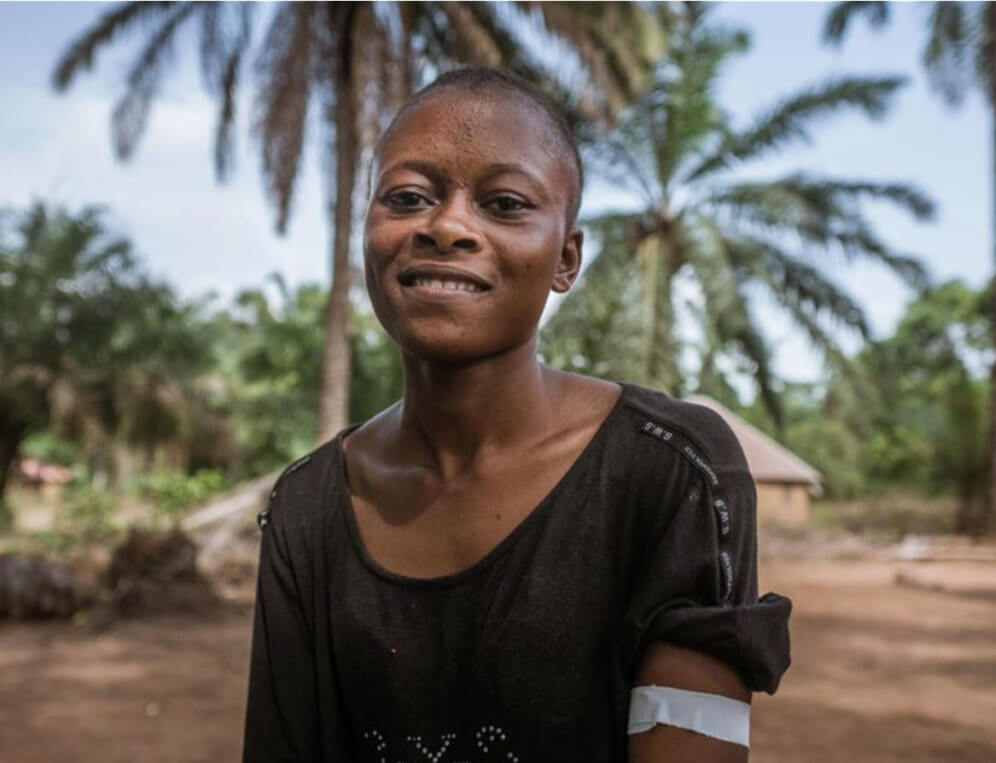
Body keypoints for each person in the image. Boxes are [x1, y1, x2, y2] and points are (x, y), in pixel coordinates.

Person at [242, 67, 790, 763]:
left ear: (567, 258)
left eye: (504, 203)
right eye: (408, 196)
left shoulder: (670, 470)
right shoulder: (309, 506)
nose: (447, 226)